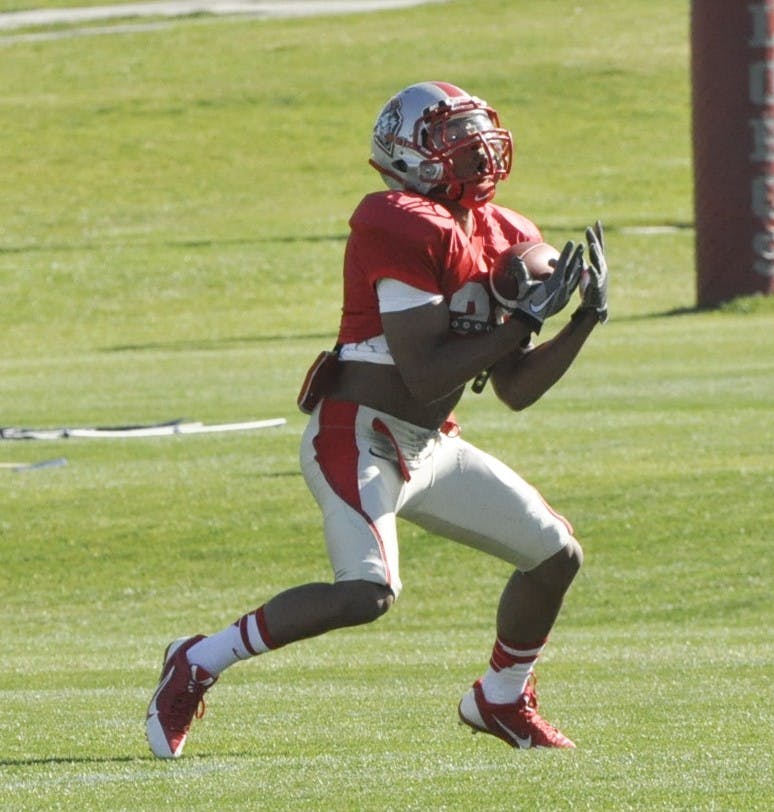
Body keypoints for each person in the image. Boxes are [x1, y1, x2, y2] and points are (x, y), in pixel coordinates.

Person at [146, 80, 609, 757]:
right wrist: (524, 322)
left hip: (428, 445)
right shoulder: (395, 219)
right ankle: (198, 658)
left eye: (478, 132)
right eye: (453, 136)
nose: (475, 149)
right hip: (357, 435)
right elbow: (423, 369)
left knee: (554, 555)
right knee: (367, 593)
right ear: (409, 151)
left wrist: (583, 321)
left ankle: (501, 698)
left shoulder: (509, 231)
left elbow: (515, 390)